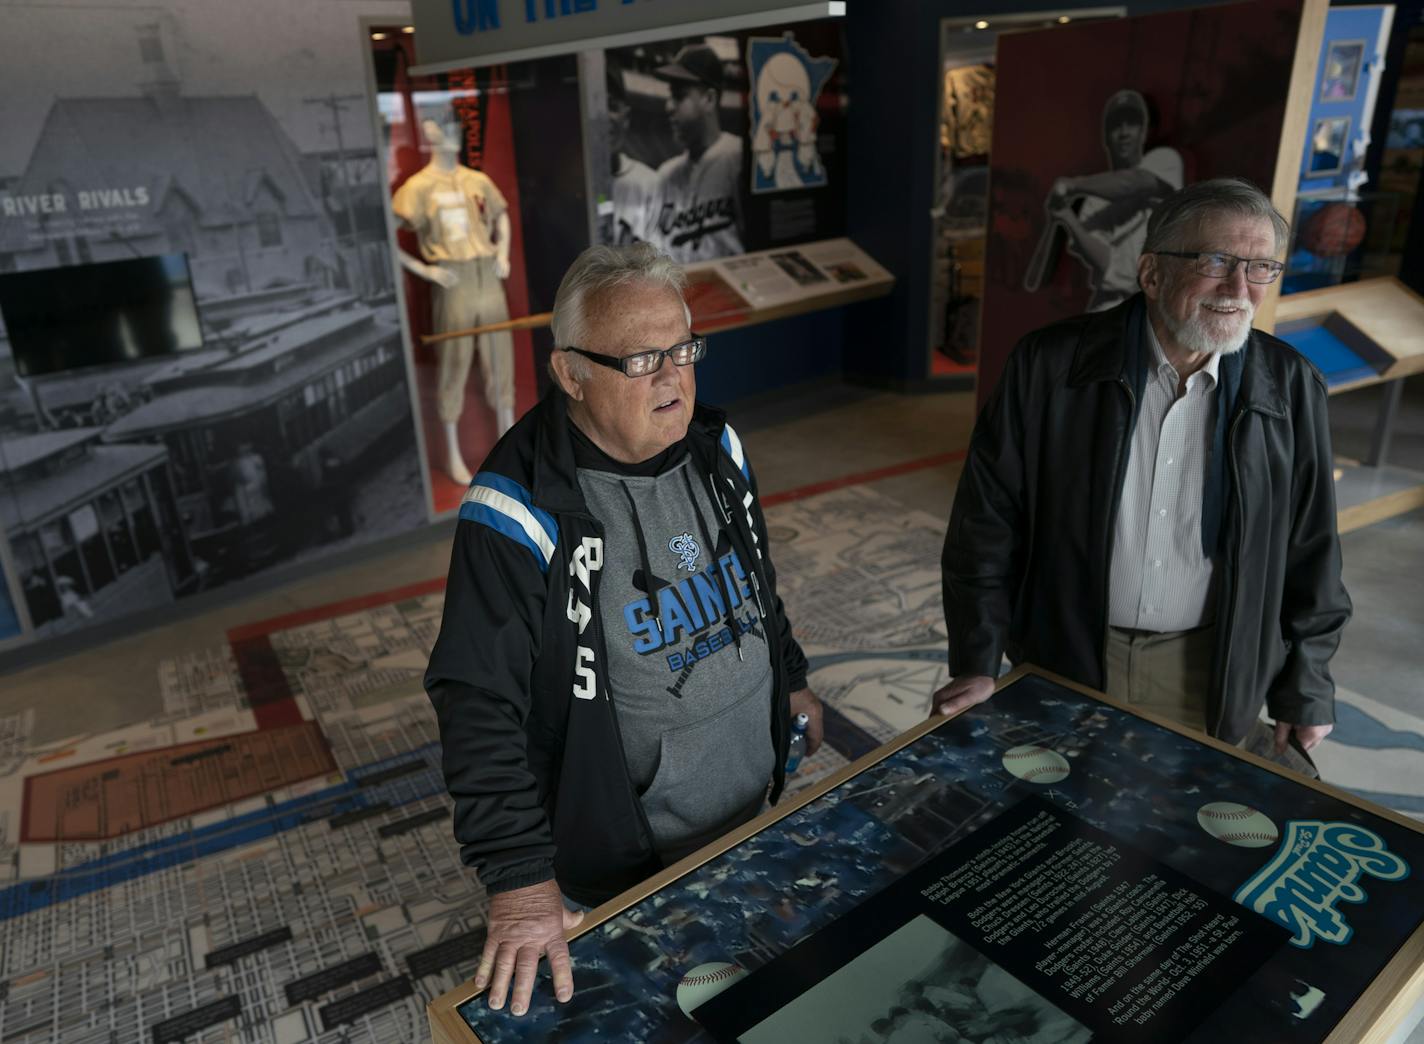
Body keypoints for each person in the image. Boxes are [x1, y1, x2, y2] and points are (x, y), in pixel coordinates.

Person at [424, 243, 822, 1017]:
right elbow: (475, 698)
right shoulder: (516, 509)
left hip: (752, 808)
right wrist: (517, 881)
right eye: (643, 359)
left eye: (682, 348)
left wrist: (793, 674)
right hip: (625, 855)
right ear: (570, 373)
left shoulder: (717, 448)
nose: (674, 376)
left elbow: (754, 580)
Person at [936, 178, 1351, 775]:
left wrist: (1306, 686)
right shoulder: (1050, 366)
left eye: (1261, 267)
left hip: (1209, 666)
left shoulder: (1289, 386)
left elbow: (1313, 552)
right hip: (1068, 650)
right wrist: (977, 662)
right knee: (1062, 830)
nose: (1239, 289)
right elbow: (986, 525)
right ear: (1152, 273)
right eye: (1216, 262)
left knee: (1183, 836)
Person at [392, 113, 516, 480]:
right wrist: (425, 270)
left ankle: (510, 449)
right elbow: (387, 232)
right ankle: (452, 455)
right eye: (443, 128)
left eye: (454, 128)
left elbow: (502, 215)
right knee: (453, 363)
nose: (452, 135)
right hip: (451, 279)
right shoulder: (417, 187)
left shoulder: (476, 180)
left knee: (500, 359)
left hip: (488, 276)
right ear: (429, 132)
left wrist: (503, 251)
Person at [1030, 89, 1183, 311]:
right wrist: (1067, 218)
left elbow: (1134, 182)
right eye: (1116, 126)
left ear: (1144, 131)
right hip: (1109, 305)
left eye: (1131, 124)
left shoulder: (1164, 161)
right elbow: (1106, 265)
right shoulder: (1093, 202)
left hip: (1158, 302)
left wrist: (1074, 185)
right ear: (1106, 137)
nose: (1123, 132)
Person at [646, 43, 745, 261]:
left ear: (709, 99)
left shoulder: (739, 156)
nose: (668, 106)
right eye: (670, 96)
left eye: (679, 96)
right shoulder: (666, 175)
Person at [606, 60, 658, 246]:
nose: (604, 117)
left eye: (612, 106)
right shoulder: (565, 191)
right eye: (595, 104)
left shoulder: (650, 183)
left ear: (626, 117)